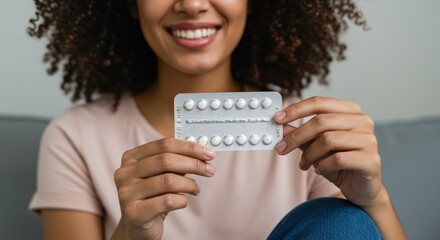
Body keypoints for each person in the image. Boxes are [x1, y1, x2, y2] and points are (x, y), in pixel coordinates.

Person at [28, 0, 406, 239]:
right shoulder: (75, 136)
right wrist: (131, 232)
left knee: (341, 221)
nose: (192, 5)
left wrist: (374, 201)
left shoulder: (311, 130)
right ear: (131, 4)